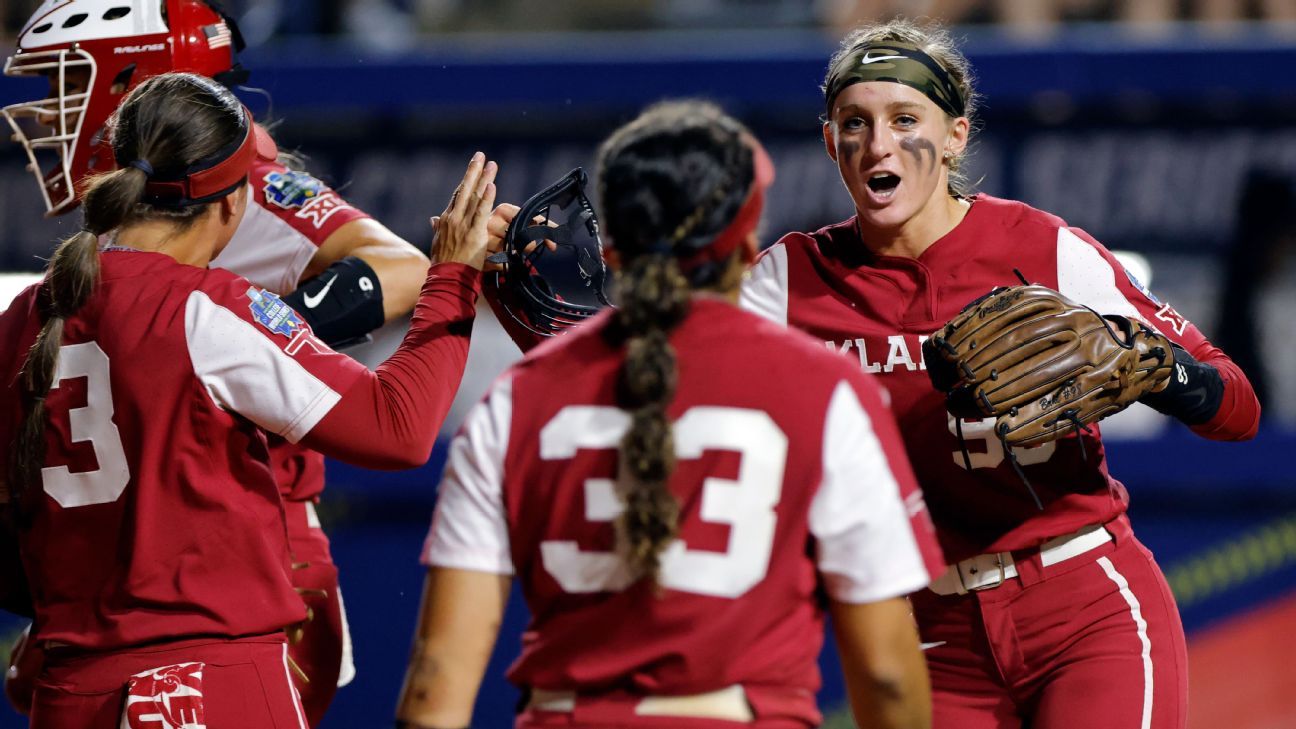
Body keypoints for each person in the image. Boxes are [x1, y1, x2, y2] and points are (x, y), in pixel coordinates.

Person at [739, 18, 1262, 729]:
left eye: (904, 118)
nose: (878, 143)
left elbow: (1237, 405)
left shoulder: (1042, 248)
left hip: (1082, 602)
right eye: (854, 122)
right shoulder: (790, 280)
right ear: (831, 142)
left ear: (955, 135)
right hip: (928, 628)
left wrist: (1156, 369)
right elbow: (653, 364)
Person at [395, 101, 946, 729]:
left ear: (611, 249)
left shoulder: (518, 399)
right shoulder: (825, 392)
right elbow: (886, 675)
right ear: (747, 242)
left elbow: (435, 688)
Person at [0, 71, 497, 728]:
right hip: (208, 682)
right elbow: (398, 428)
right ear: (233, 206)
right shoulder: (208, 310)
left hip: (69, 691)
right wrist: (454, 279)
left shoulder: (20, 318)